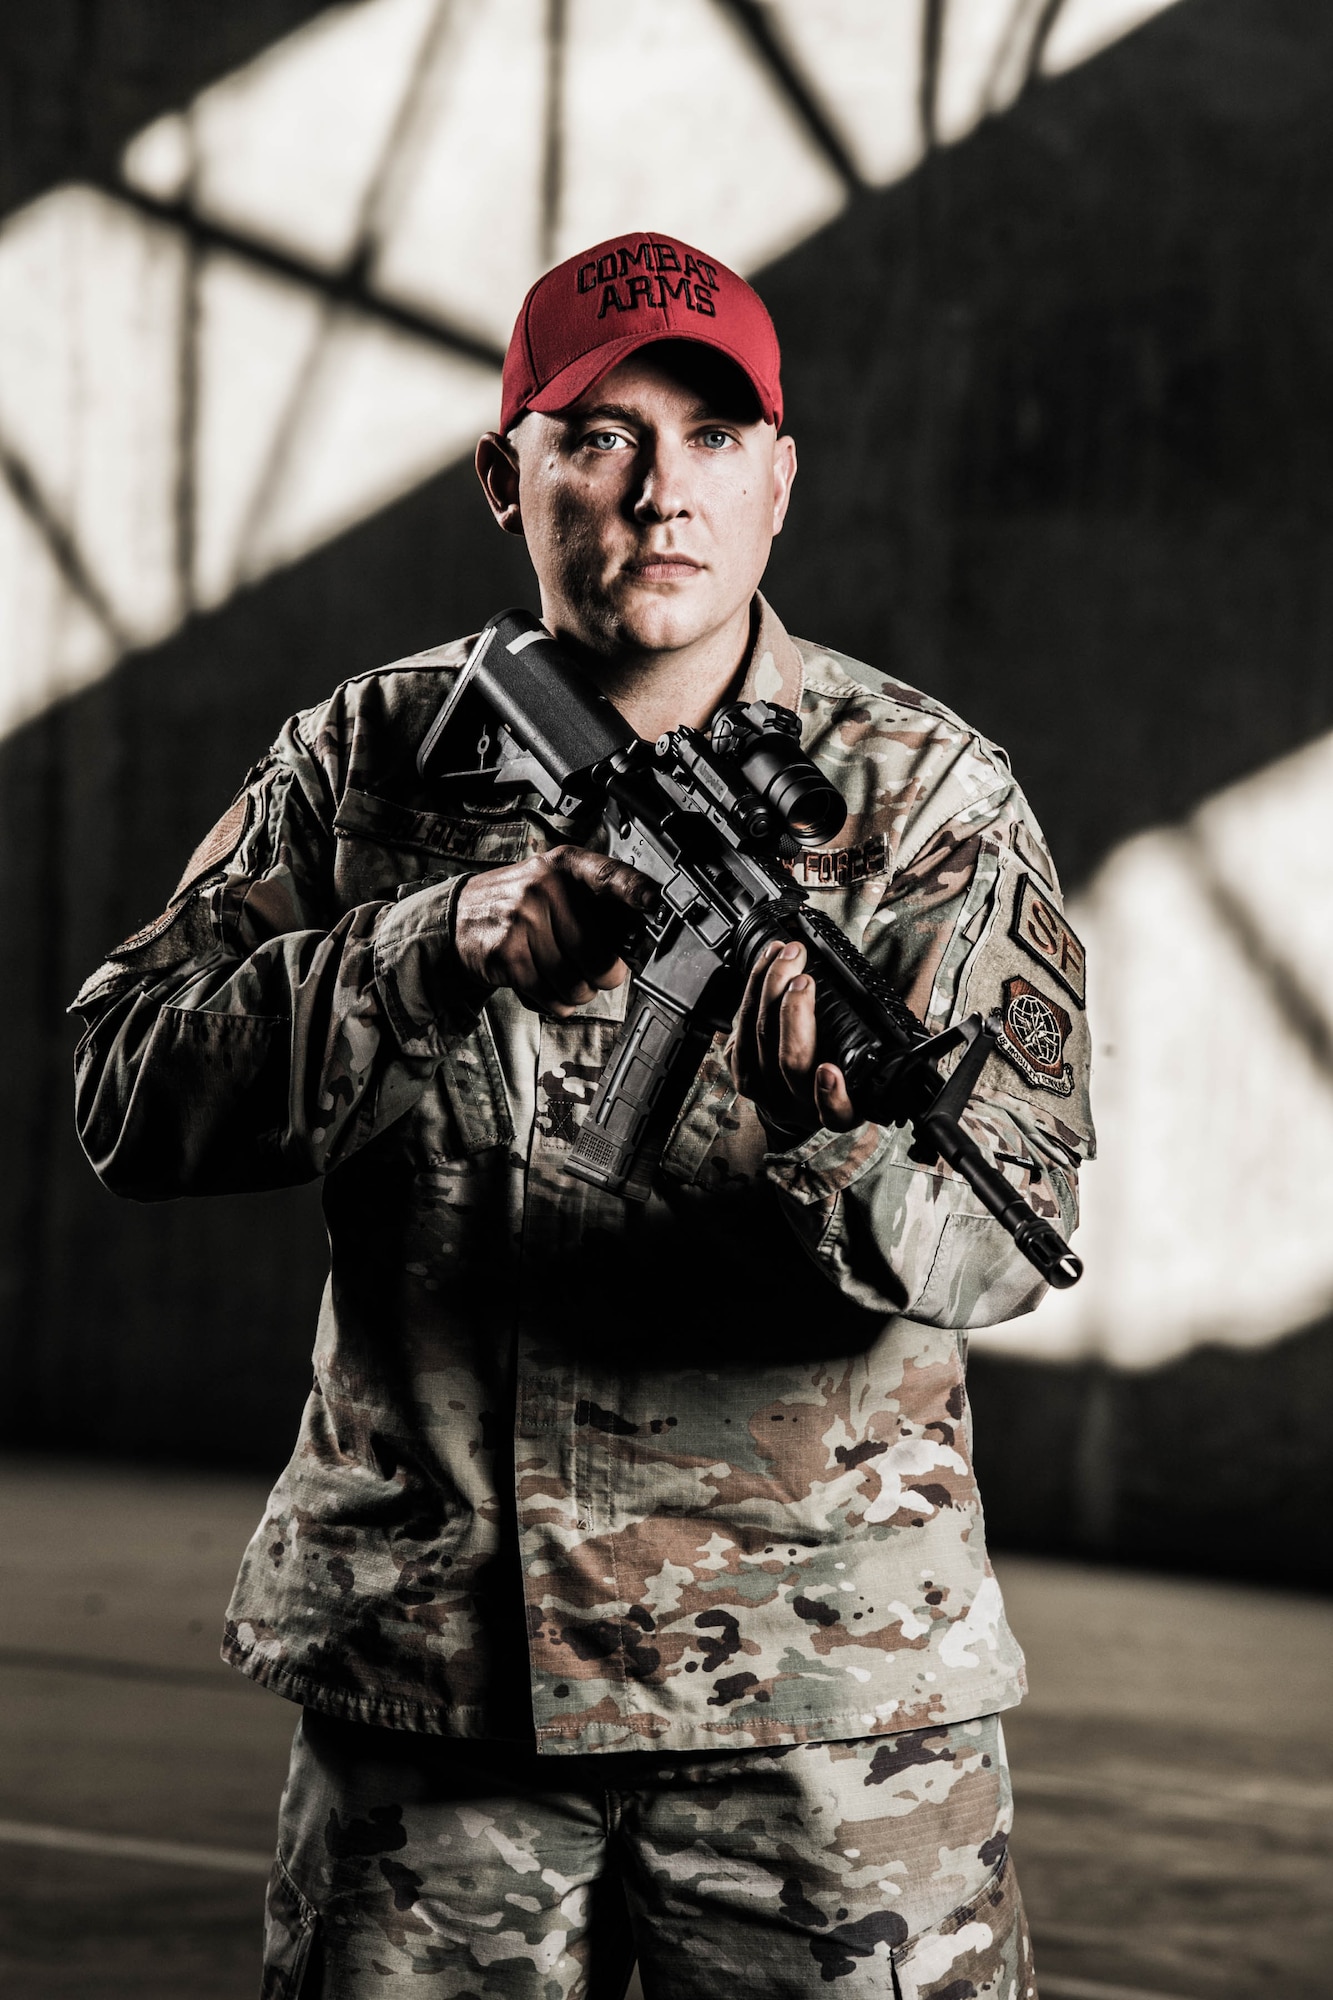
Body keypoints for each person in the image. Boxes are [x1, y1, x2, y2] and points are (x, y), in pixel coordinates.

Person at [72, 232, 1093, 1999]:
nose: (659, 492)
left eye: (710, 438)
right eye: (598, 436)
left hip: (821, 1707)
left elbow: (1010, 1234)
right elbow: (126, 1091)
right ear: (505, 474)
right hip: (435, 1692)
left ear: (778, 478)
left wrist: (830, 1134)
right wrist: (425, 948)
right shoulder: (369, 762)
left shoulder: (922, 800)